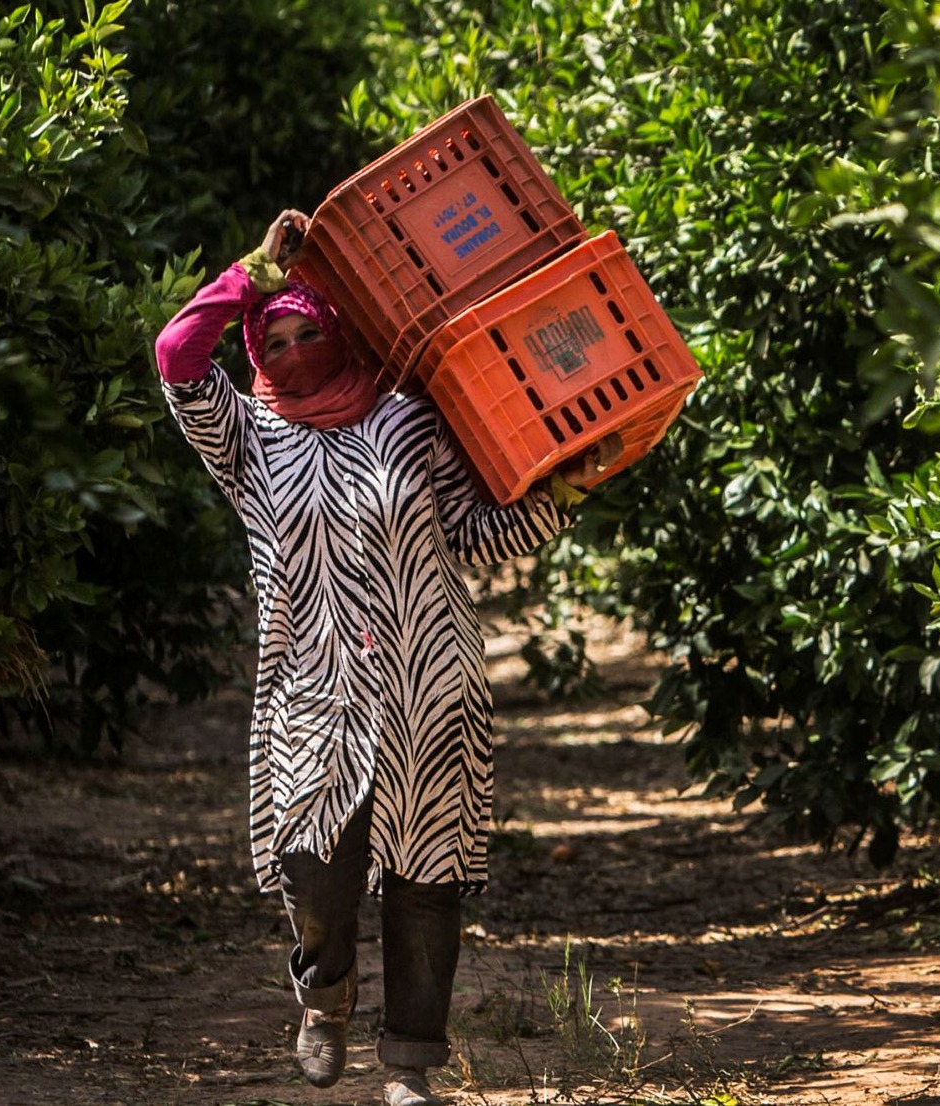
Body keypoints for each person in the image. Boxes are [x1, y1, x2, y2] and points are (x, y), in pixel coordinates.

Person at [154, 210, 602, 1106]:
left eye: (304, 329)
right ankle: (324, 999)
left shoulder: (406, 420)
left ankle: (410, 1068)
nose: (288, 347)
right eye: (271, 338)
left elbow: (475, 536)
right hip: (314, 693)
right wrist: (258, 271)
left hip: (429, 685)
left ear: (337, 330)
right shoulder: (246, 439)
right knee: (315, 872)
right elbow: (176, 352)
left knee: (426, 883)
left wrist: (568, 489)